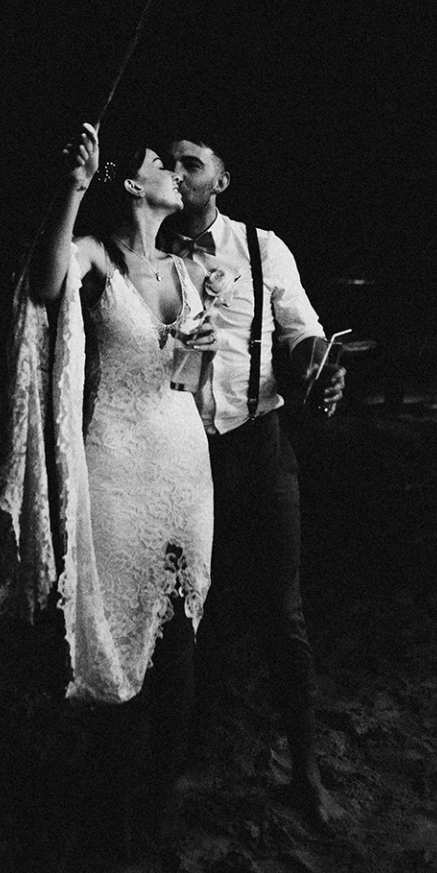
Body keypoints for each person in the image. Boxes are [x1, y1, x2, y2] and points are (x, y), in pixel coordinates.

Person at [20, 123, 217, 847]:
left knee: (184, 634)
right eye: (161, 163)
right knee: (123, 631)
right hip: (118, 465)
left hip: (186, 469)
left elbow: (186, 384)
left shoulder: (190, 272)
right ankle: (112, 806)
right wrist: (74, 186)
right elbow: (44, 285)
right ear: (134, 184)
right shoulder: (98, 258)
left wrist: (192, 355)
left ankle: (160, 800)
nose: (174, 171)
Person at [160, 134, 345, 827]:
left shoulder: (264, 249)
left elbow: (301, 335)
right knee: (180, 623)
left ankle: (306, 771)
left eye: (192, 164)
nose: (178, 174)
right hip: (178, 459)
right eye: (169, 163)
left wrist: (320, 367)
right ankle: (171, 773)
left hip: (260, 449)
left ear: (223, 180)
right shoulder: (144, 251)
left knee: (283, 614)